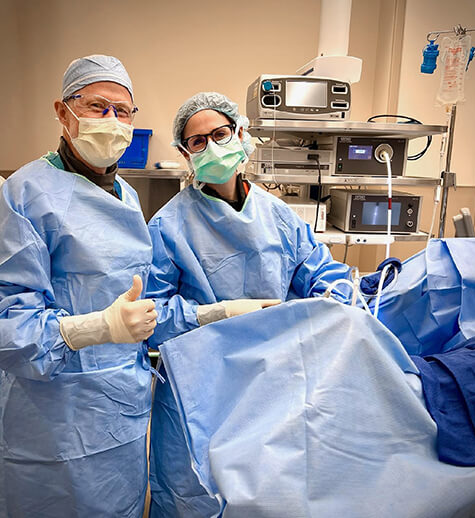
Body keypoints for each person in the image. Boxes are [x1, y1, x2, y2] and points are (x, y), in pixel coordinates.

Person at [146, 92, 351, 516]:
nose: (211, 146)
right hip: (197, 389)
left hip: (270, 382)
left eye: (220, 134)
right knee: (193, 493)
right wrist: (212, 315)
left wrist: (335, 303)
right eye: (197, 141)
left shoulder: (279, 216)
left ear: (241, 134)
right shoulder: (168, 226)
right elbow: (151, 316)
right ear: (185, 154)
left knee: (266, 489)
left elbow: (323, 275)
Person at [0, 55, 157, 517]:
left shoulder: (126, 195)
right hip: (53, 415)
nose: (111, 121)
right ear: (63, 111)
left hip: (122, 409)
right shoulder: (24, 193)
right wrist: (95, 328)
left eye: (122, 111)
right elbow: (10, 324)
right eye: (96, 106)